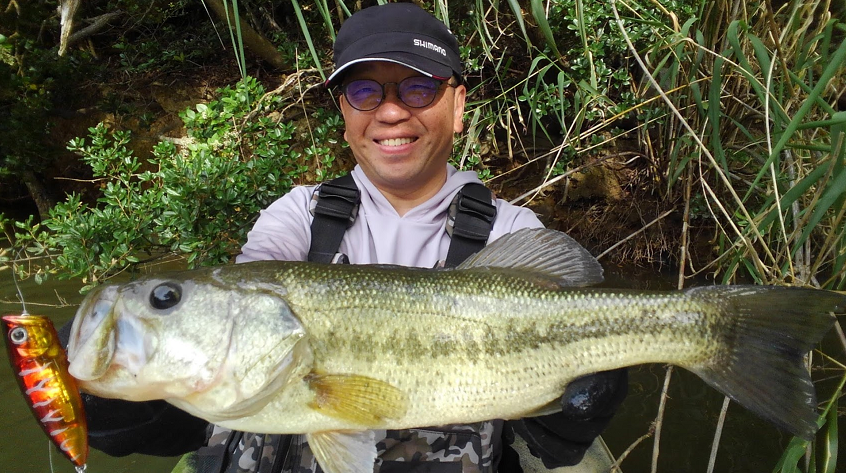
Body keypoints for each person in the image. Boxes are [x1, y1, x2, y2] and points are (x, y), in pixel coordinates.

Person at [61, 3, 627, 472]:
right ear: (344, 112)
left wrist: (569, 418)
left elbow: (551, 419)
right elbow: (240, 335)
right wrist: (157, 393)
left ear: (458, 106)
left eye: (418, 88)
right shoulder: (296, 216)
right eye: (364, 92)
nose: (389, 112)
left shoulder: (513, 232)